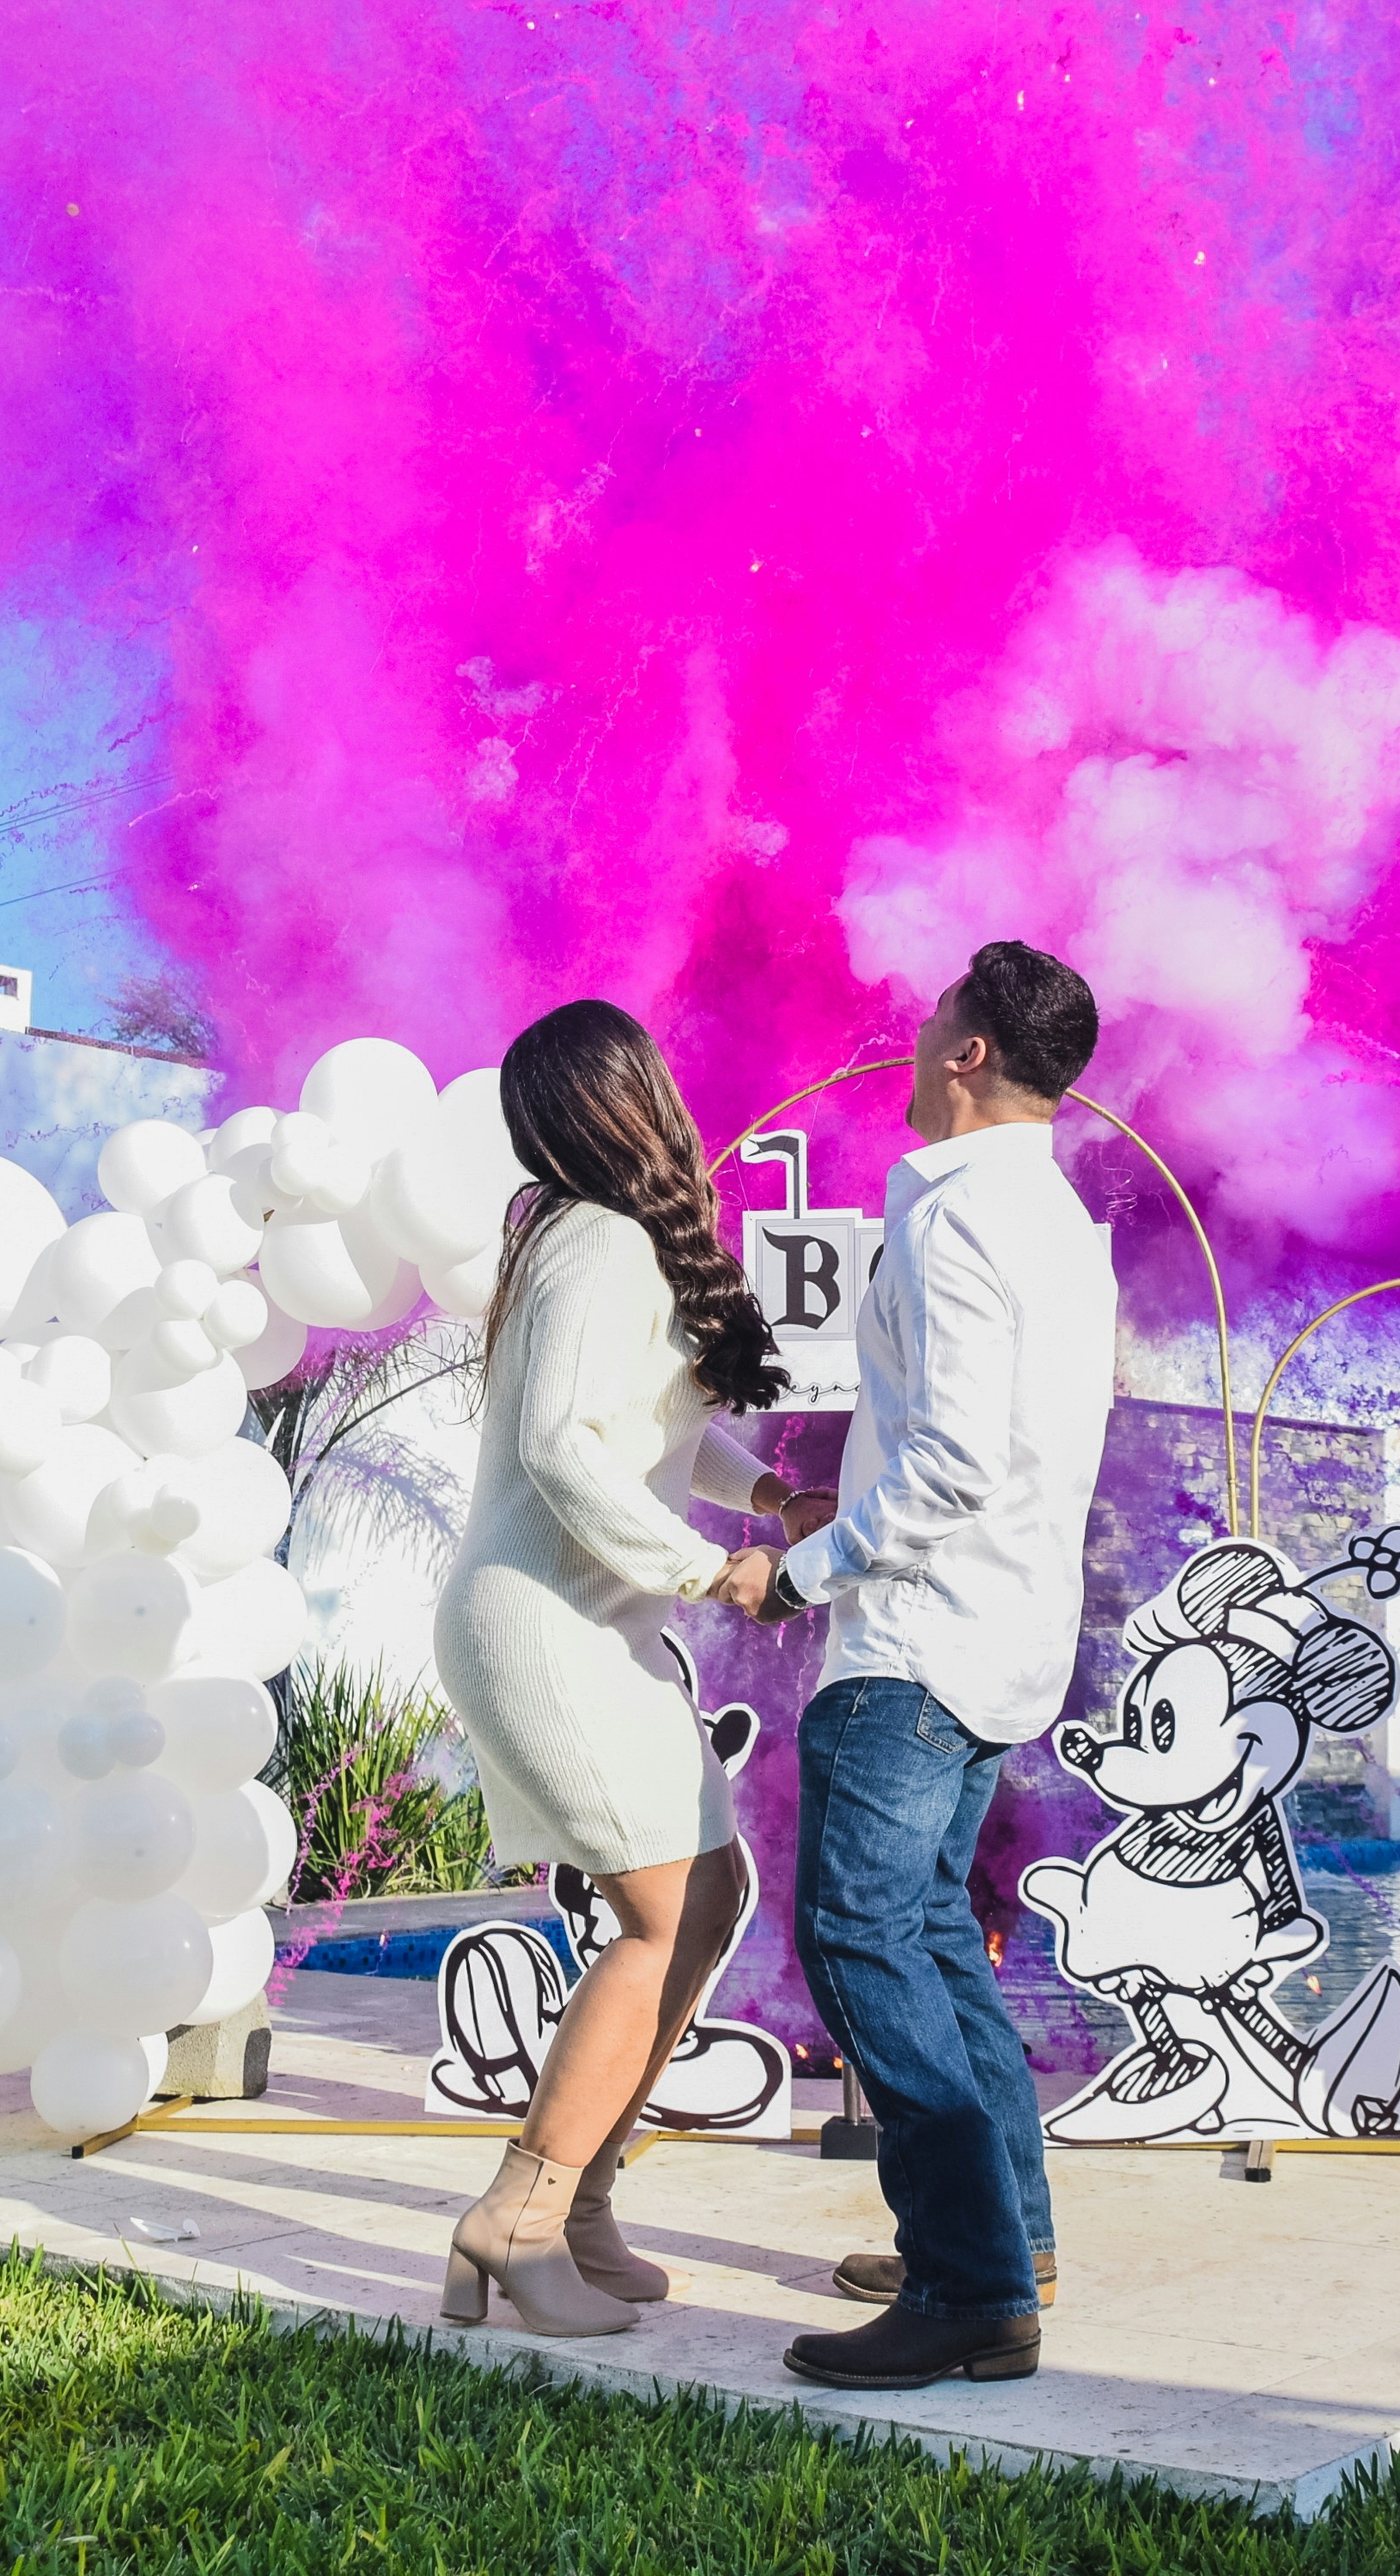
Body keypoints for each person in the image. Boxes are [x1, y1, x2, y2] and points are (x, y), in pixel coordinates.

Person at [428, 999, 825, 2336]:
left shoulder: (607, 1244)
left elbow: (645, 1429)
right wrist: (720, 1570)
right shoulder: (595, 1240)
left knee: (705, 1901)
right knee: (656, 1923)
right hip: (542, 1622)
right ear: (633, 1093)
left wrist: (765, 1494)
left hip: (596, 1622)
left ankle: (582, 2199)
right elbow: (558, 1444)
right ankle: (517, 2219)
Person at [765, 939, 1116, 2391]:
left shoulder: (958, 1217)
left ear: (970, 1053)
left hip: (918, 1638)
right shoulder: (1057, 1220)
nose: (911, 1041)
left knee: (856, 1936)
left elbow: (955, 1458)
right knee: (913, 1929)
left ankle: (970, 2286)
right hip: (1001, 1632)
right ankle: (1003, 2239)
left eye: (932, 1023)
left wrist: (805, 1570)